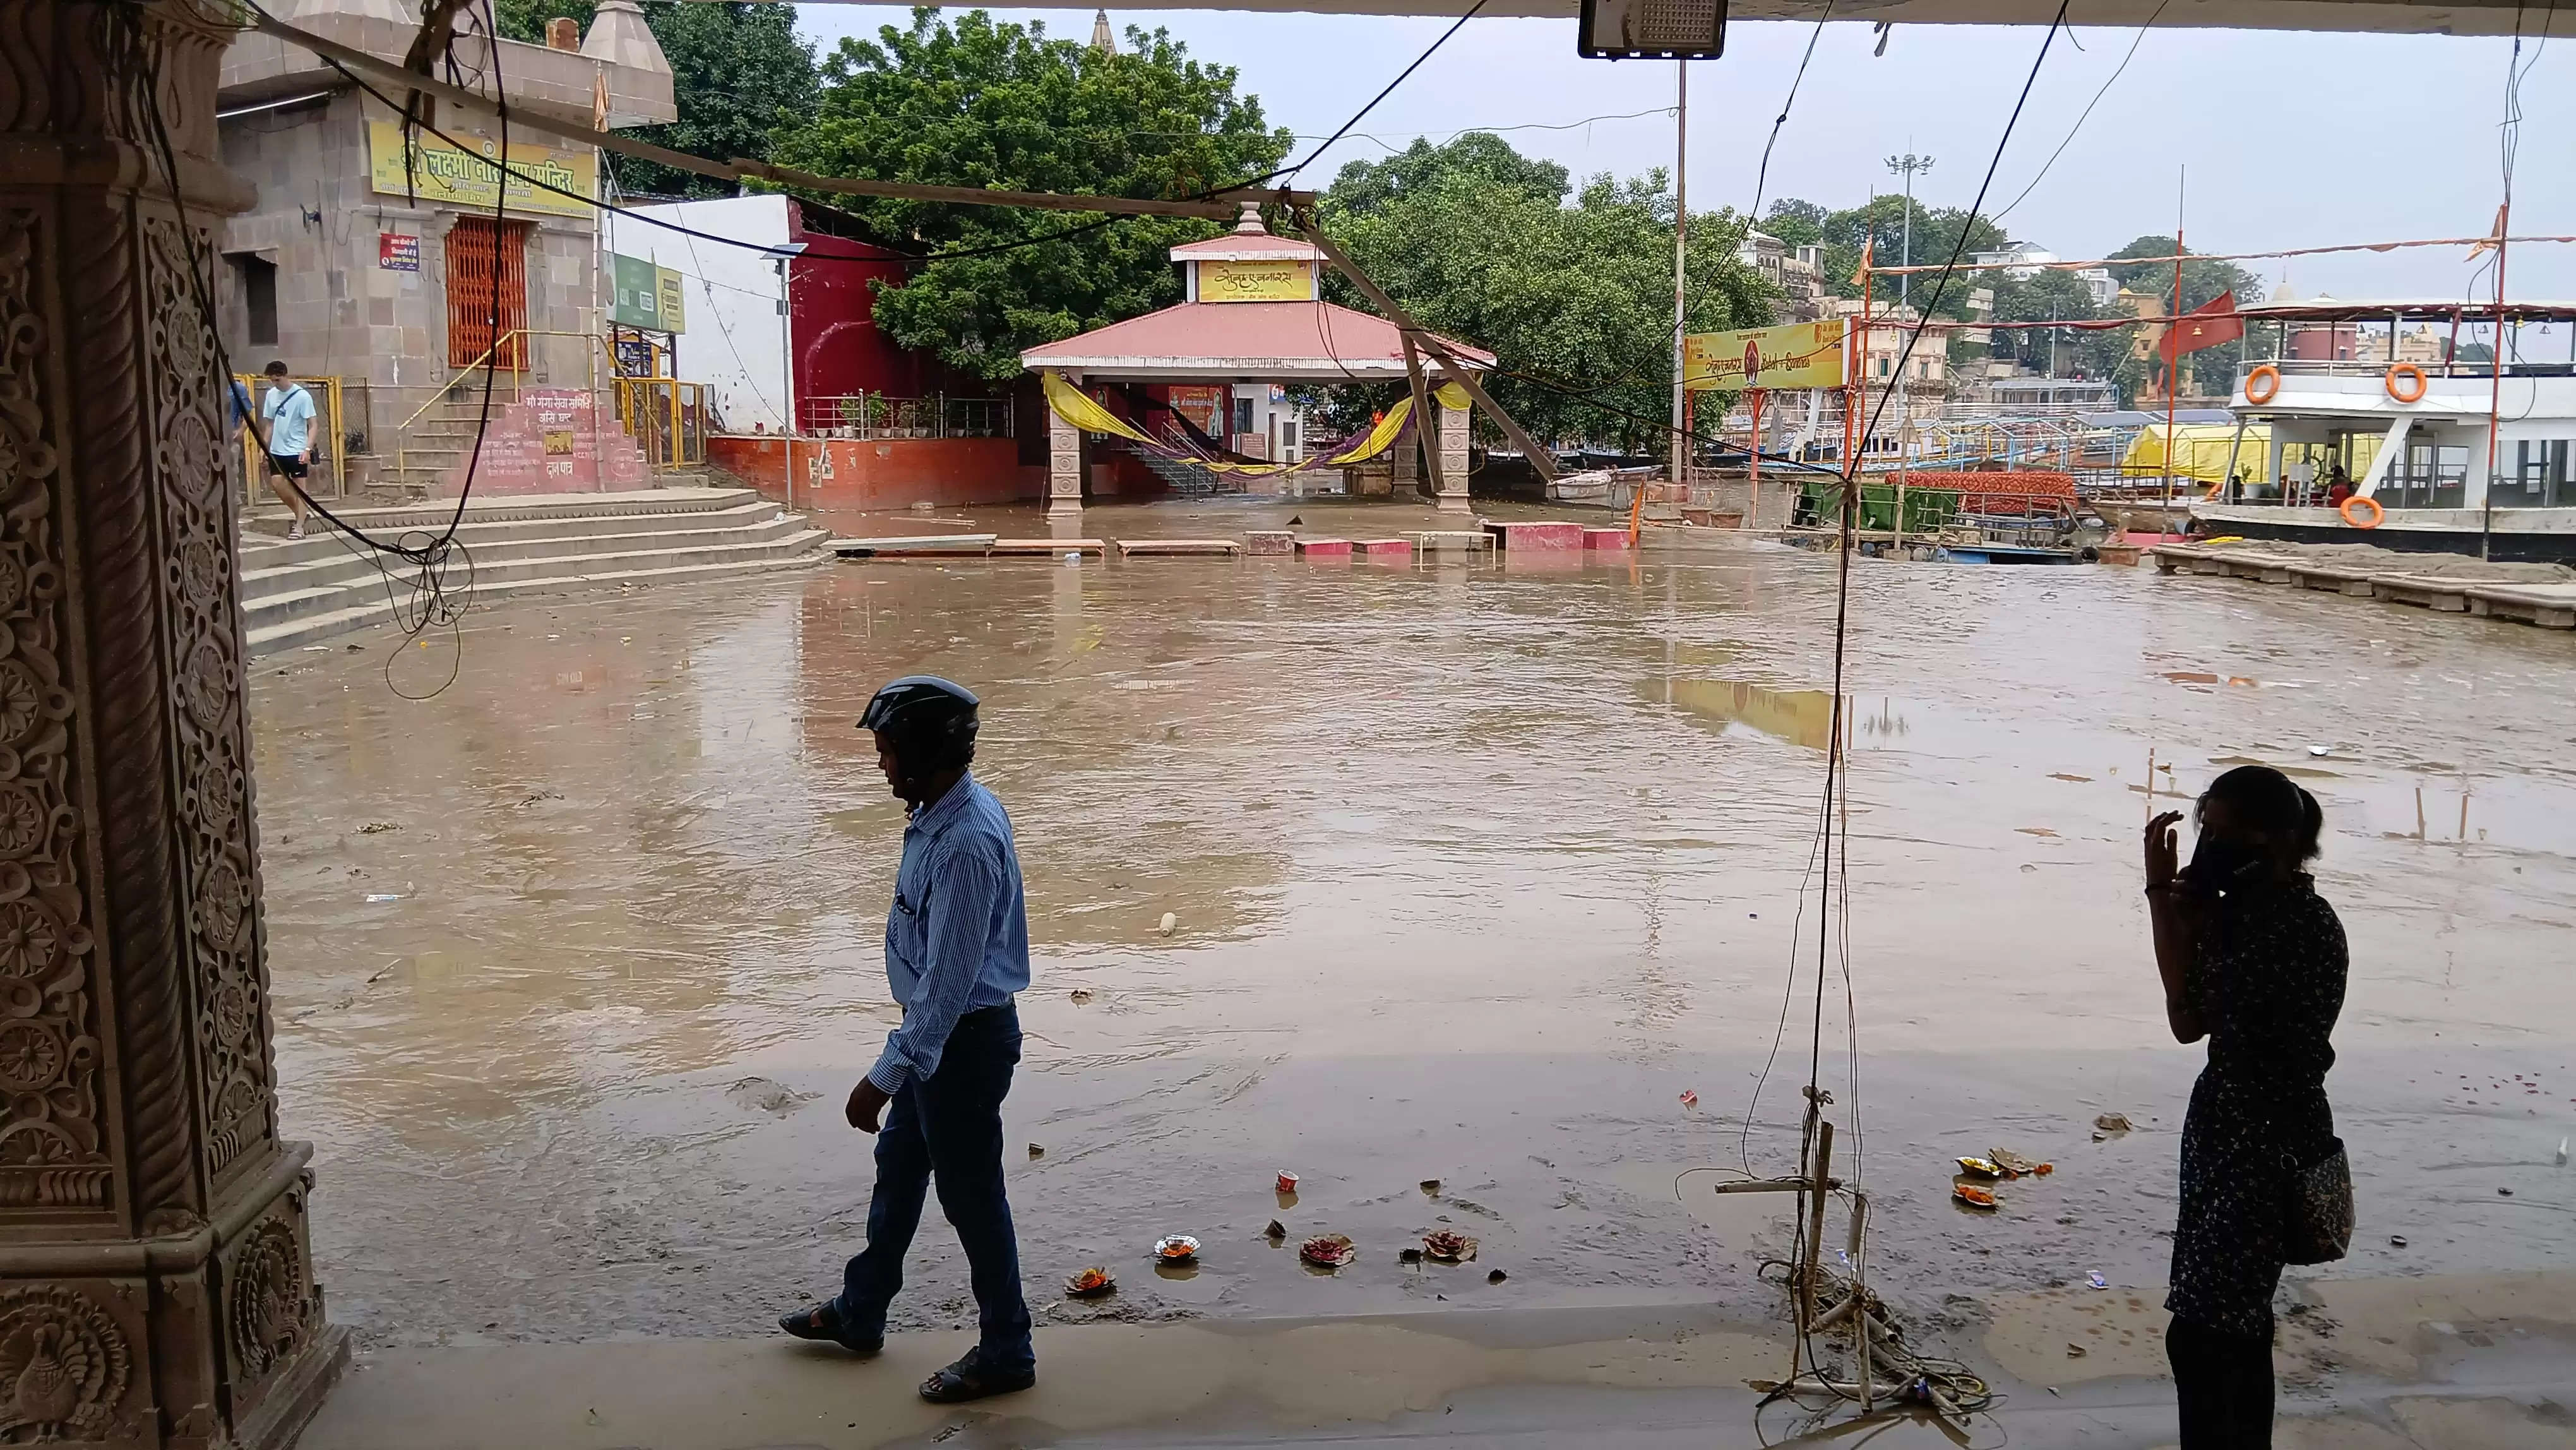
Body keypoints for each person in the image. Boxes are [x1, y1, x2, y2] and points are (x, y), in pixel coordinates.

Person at [781, 676, 1035, 1404]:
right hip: (941, 1044)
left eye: (890, 753)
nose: (882, 766)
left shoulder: (964, 842)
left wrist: (886, 1073)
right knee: (899, 1168)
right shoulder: (943, 813)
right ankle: (861, 1312)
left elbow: (948, 989)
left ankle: (1007, 1349)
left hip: (960, 1045)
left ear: (926, 755)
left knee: (972, 1198)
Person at [2143, 767, 2348, 1448]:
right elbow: (2194, 1011)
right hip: (2231, 1132)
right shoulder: (2271, 914)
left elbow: (2185, 1015)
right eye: (2212, 830)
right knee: (2234, 1329)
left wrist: (2167, 904)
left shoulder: (2289, 926)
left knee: (2204, 1336)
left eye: (2229, 832)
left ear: (2276, 839)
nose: (2216, 847)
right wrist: (2184, 912)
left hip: (2261, 1144)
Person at [258, 361, 317, 539]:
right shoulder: (271, 395)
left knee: (300, 488)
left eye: (277, 380)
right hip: (277, 449)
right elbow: (269, 423)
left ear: (285, 375)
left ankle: (299, 526)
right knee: (277, 483)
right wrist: (264, 447)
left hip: (297, 448)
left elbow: (313, 425)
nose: (275, 384)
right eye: (272, 381)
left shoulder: (302, 396)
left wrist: (307, 448)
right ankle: (301, 514)